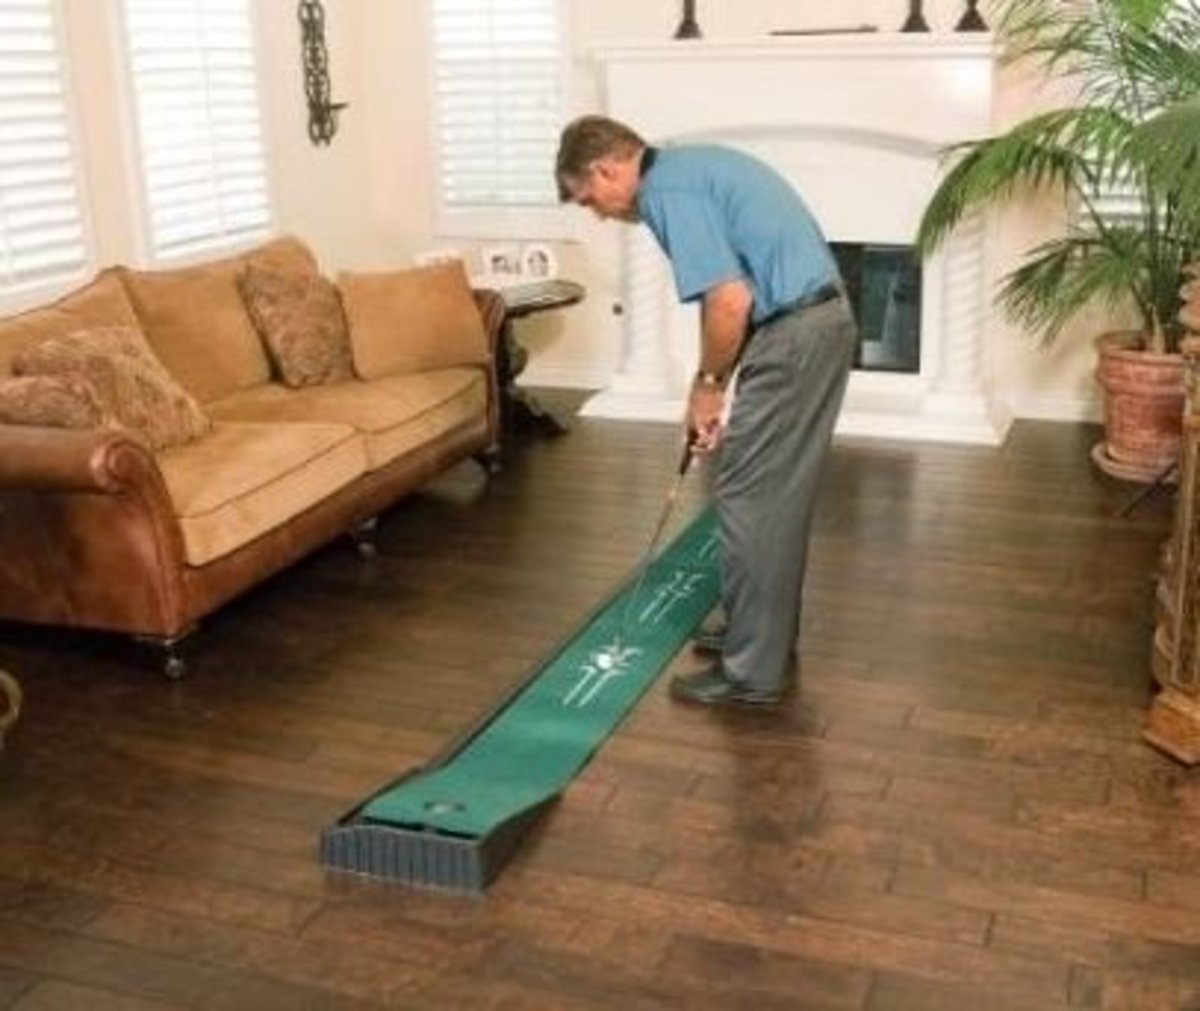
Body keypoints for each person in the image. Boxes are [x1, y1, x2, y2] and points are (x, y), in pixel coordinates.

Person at [555, 115, 856, 706]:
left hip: (798, 332)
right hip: (808, 324)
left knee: (752, 499)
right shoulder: (688, 170)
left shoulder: (668, 191)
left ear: (606, 168)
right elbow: (734, 298)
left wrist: (710, 385)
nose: (598, 212)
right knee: (771, 497)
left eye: (590, 199)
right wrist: (712, 390)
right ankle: (758, 634)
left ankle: (753, 673)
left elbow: (728, 300)